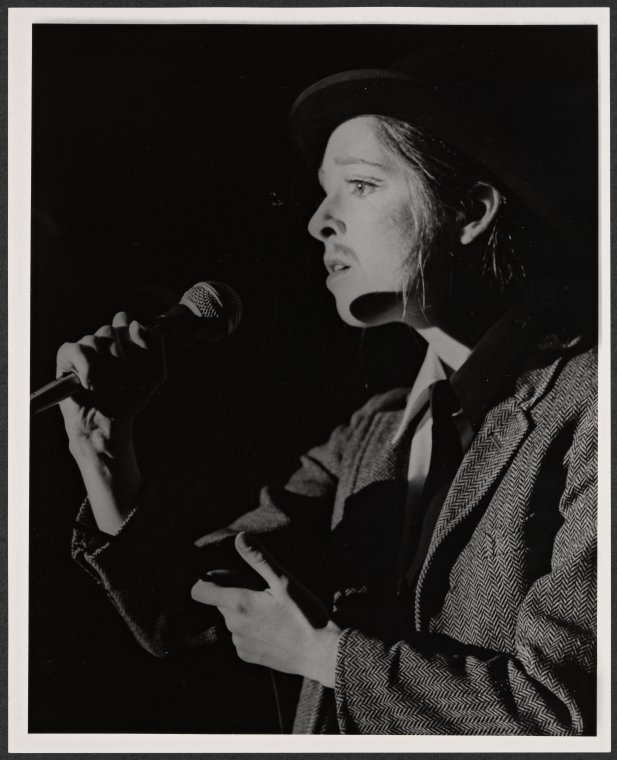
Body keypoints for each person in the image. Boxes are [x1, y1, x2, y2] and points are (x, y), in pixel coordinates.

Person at [58, 45, 597, 734]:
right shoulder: (370, 435)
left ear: (470, 212)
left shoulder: (588, 409)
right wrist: (105, 452)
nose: (319, 222)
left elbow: (561, 716)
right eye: (322, 195)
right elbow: (187, 612)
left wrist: (326, 655)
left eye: (362, 185)